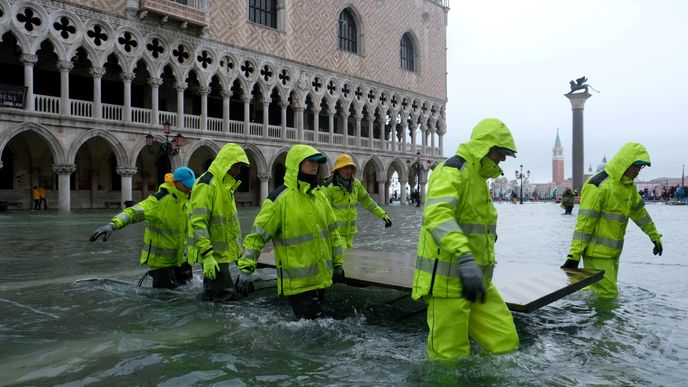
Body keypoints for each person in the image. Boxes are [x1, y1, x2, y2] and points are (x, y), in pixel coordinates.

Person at [412, 118, 520, 360]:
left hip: (478, 281)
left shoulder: (479, 179)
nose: (502, 159)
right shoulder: (453, 171)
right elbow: (437, 216)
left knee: (505, 340)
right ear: (485, 147)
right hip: (447, 282)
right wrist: (465, 255)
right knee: (449, 356)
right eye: (500, 153)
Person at [236, 144, 346, 319]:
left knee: (316, 326)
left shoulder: (320, 197)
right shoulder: (279, 200)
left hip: (321, 278)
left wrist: (338, 263)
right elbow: (257, 236)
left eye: (317, 162)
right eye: (311, 161)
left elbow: (333, 233)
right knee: (313, 327)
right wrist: (246, 269)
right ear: (297, 163)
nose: (315, 165)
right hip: (298, 282)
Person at [561, 142, 663, 299]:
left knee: (597, 293)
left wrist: (654, 236)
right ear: (626, 162)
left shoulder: (627, 186)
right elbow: (584, 223)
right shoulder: (598, 185)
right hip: (596, 254)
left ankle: (586, 317)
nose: (637, 171)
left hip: (612, 254)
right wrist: (573, 256)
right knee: (608, 297)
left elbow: (640, 213)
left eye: (641, 167)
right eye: (636, 166)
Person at [89, 167, 196, 289]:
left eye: (191, 185)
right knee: (165, 298)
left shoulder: (189, 199)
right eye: (186, 185)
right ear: (176, 183)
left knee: (187, 289)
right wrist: (112, 225)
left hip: (182, 257)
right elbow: (133, 213)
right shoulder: (158, 200)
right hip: (161, 262)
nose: (190, 188)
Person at [187, 142, 250, 301]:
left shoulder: (226, 186)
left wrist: (239, 255)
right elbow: (198, 222)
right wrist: (207, 255)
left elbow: (231, 224)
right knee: (225, 299)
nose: (238, 171)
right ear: (226, 162)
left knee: (224, 297)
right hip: (213, 255)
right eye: (236, 166)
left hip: (223, 254)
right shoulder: (206, 184)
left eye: (240, 167)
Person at [320, 153, 392, 249]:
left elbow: (368, 202)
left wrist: (383, 215)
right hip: (334, 232)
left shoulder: (356, 184)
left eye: (350, 168)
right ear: (338, 169)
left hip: (350, 232)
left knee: (349, 261)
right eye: (345, 168)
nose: (348, 171)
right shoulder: (328, 186)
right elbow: (321, 209)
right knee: (342, 258)